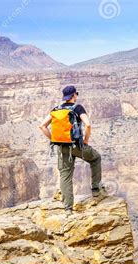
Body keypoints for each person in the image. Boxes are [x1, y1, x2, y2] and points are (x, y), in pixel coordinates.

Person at [39, 85, 106, 215]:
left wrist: (53, 139)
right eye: (76, 94)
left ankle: (68, 209)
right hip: (77, 146)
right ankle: (96, 189)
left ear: (65, 97)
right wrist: (86, 141)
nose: (76, 96)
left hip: (62, 147)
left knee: (65, 176)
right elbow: (88, 125)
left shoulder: (56, 109)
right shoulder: (78, 108)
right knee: (96, 158)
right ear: (74, 95)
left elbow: (42, 126)